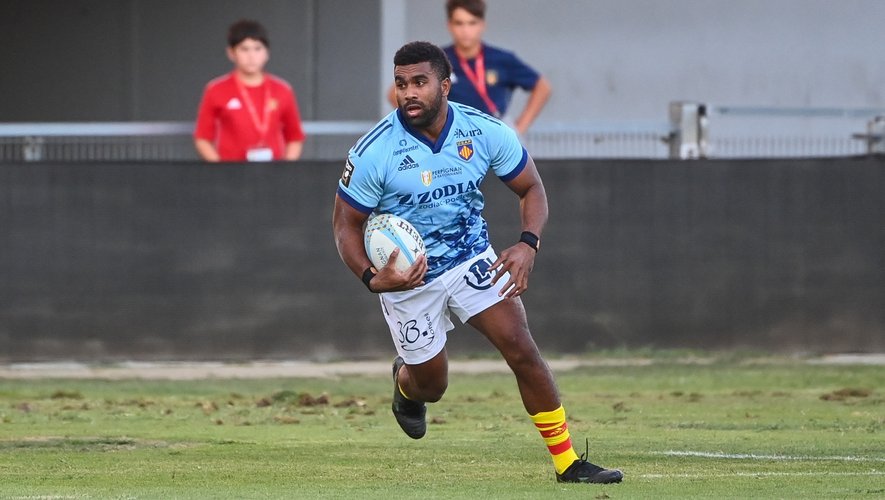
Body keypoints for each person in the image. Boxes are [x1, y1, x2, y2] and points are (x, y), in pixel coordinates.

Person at [333, 41, 622, 484]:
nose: (409, 93)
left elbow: (532, 188)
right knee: (433, 386)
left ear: (445, 85)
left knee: (521, 348)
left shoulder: (483, 131)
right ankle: (406, 384)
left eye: (420, 82)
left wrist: (528, 244)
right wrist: (374, 279)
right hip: (409, 280)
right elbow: (345, 226)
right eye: (401, 84)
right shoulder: (375, 151)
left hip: (471, 259)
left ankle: (568, 463)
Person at [386, 0, 551, 135]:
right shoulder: (437, 59)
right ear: (449, 25)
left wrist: (520, 127)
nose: (466, 30)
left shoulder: (501, 59)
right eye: (459, 23)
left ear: (482, 25)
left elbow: (542, 87)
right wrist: (426, 125)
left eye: (472, 23)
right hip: (455, 134)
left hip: (496, 131)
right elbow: (394, 93)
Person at [194, 20, 305, 162]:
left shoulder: (283, 90)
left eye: (257, 49)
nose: (251, 56)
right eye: (244, 49)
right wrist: (220, 169)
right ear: (231, 53)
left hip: (273, 170)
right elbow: (203, 138)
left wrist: (285, 169)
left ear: (267, 53)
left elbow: (295, 137)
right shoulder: (215, 89)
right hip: (230, 170)